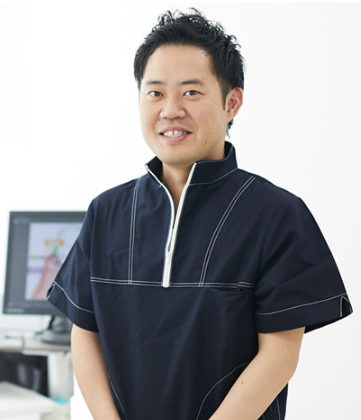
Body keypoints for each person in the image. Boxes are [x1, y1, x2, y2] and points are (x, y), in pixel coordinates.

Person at [47, 8, 353, 420]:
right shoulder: (107, 212)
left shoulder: (277, 216)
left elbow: (279, 353)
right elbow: (84, 333)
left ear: (232, 102)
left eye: (191, 92)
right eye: (155, 93)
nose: (170, 110)